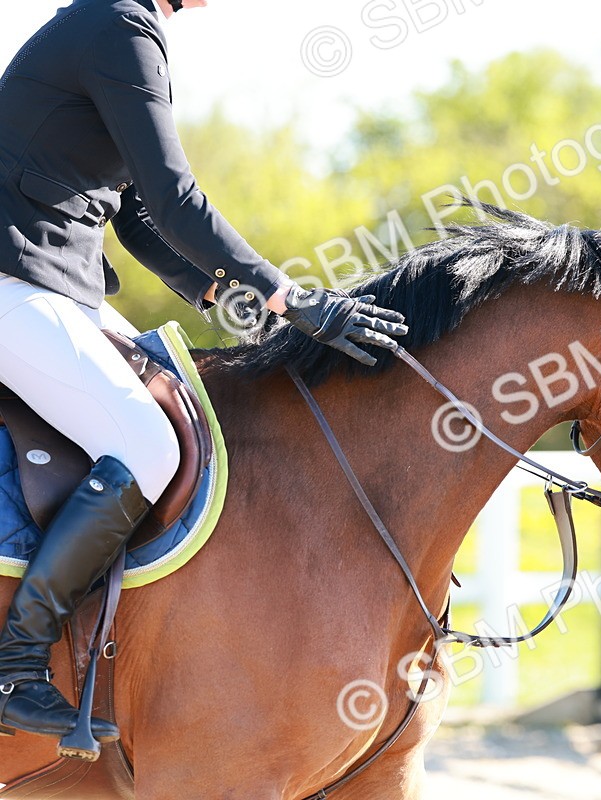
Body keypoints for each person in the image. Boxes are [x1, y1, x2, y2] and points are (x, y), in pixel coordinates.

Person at [0, 0, 407, 752]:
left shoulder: (108, 28)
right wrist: (294, 299)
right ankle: (17, 667)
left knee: (177, 405)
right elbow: (173, 196)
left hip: (51, 283)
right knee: (148, 449)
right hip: (15, 282)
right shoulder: (118, 28)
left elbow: (137, 218)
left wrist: (237, 298)